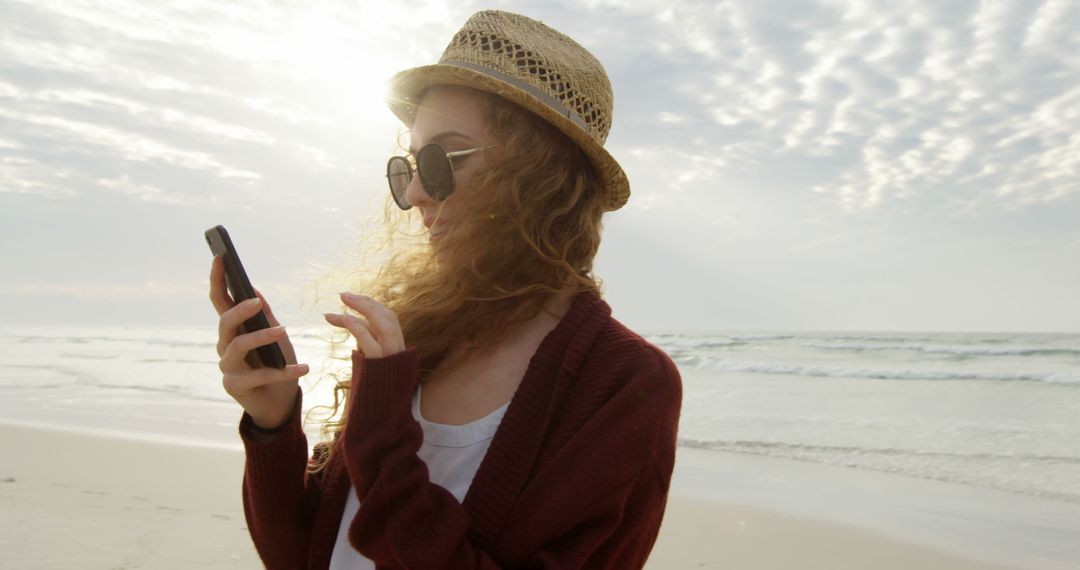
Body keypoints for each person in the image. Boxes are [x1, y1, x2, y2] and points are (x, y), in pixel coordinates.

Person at [209, 10, 682, 569]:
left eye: (441, 159)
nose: (412, 194)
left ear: (541, 174)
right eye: (407, 165)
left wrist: (385, 444)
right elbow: (305, 554)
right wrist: (274, 423)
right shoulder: (420, 339)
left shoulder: (626, 384)